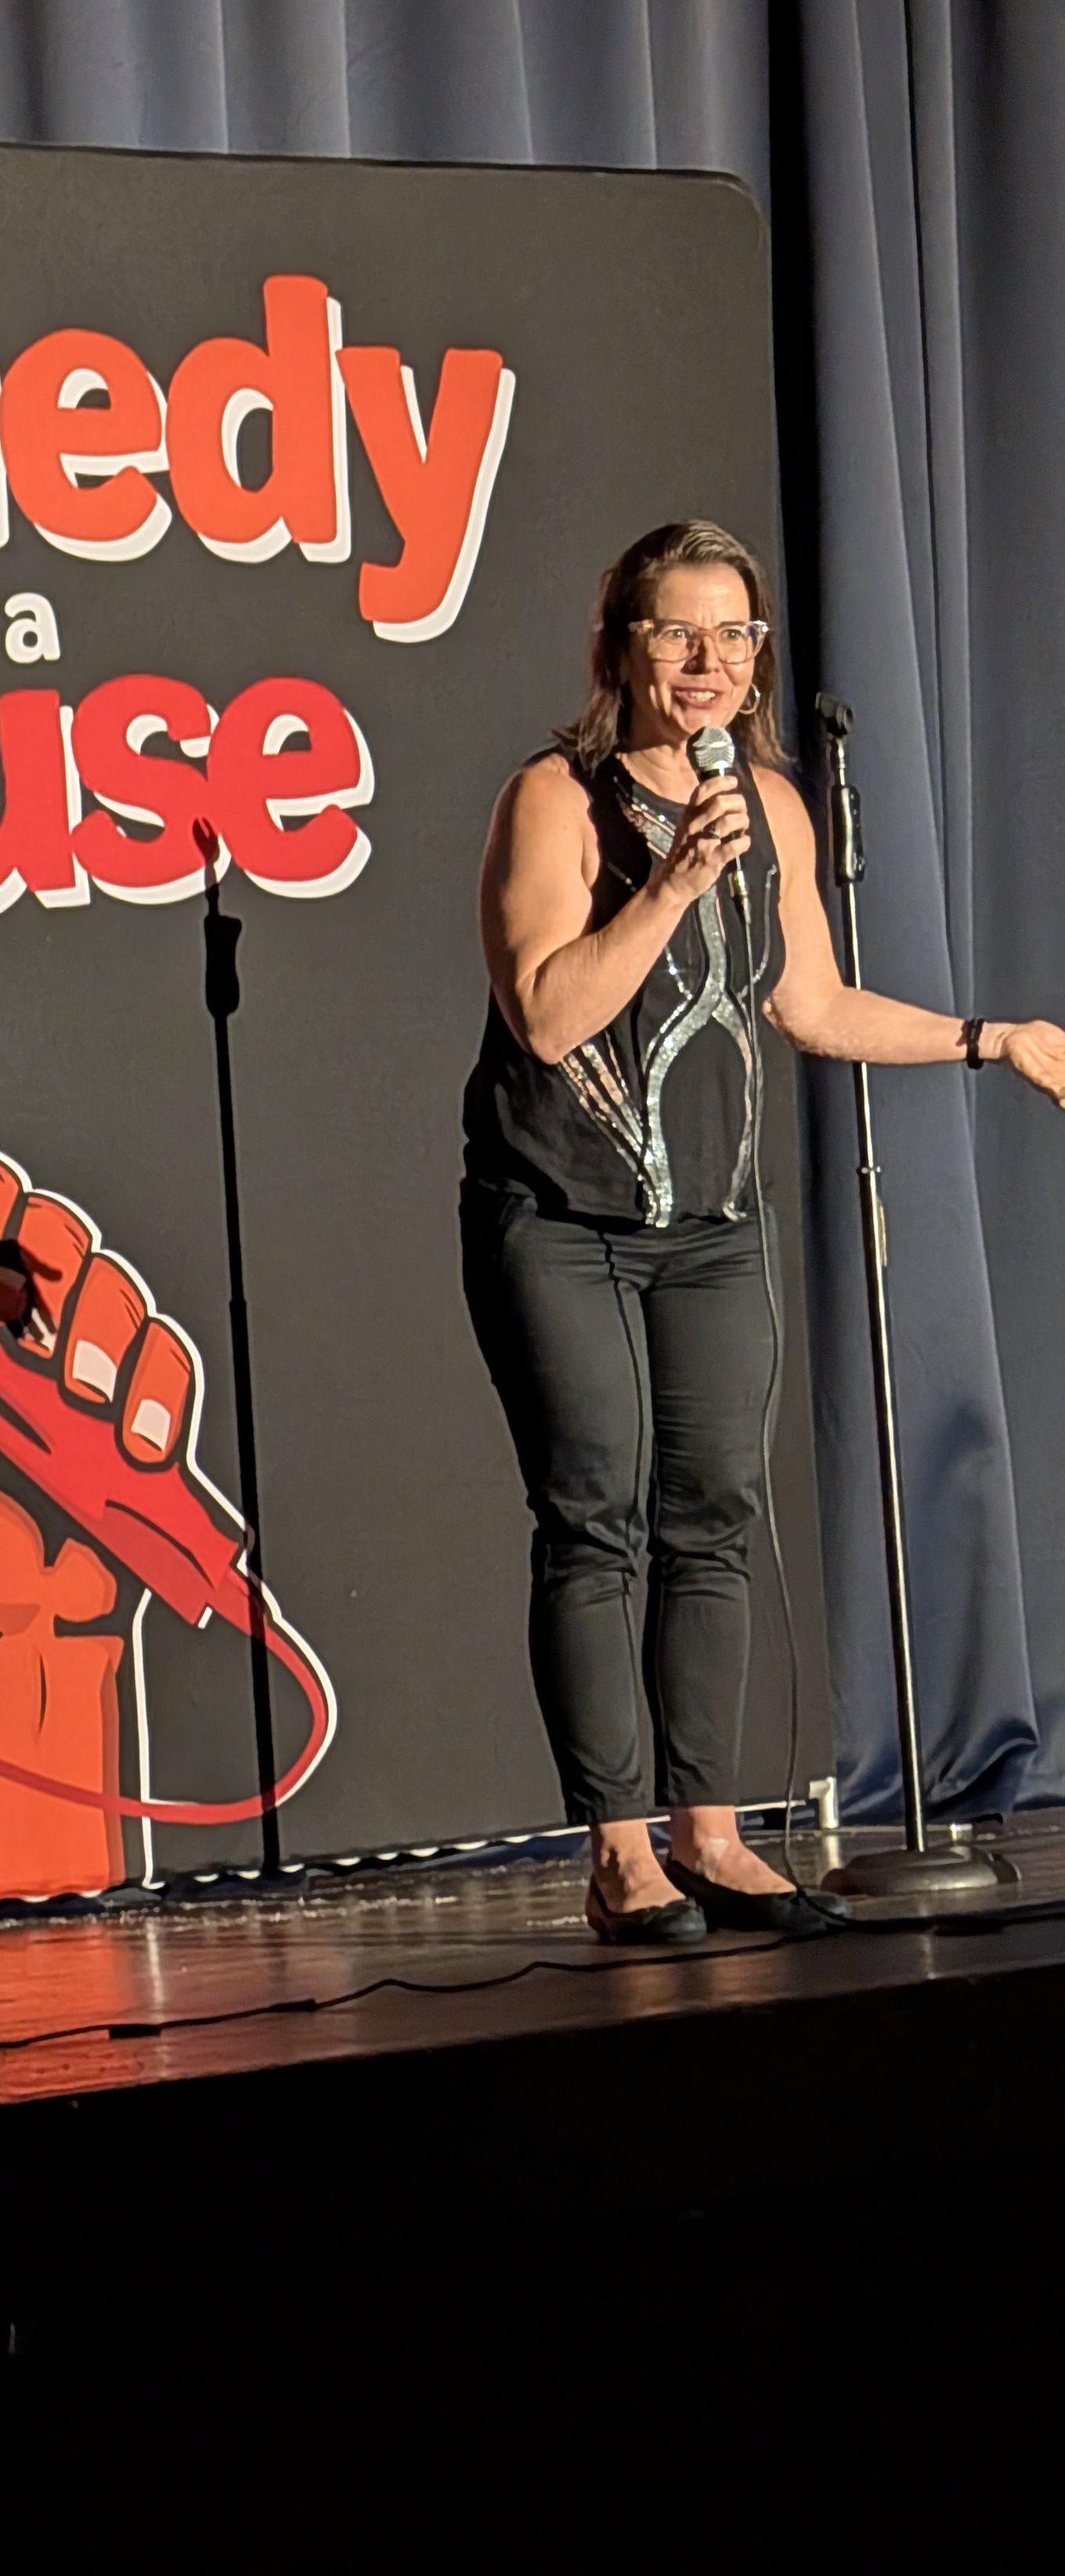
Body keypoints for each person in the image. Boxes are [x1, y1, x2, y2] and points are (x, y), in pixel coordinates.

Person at [460, 520, 1065, 1943]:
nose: (710, 662)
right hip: (562, 1217)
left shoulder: (774, 807)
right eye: (679, 633)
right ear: (623, 645)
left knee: (715, 1519)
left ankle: (714, 1834)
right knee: (595, 1517)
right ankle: (621, 1856)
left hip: (711, 1225)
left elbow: (809, 1007)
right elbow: (544, 1016)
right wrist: (670, 880)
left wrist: (996, 1038)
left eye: (735, 636)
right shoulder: (556, 798)